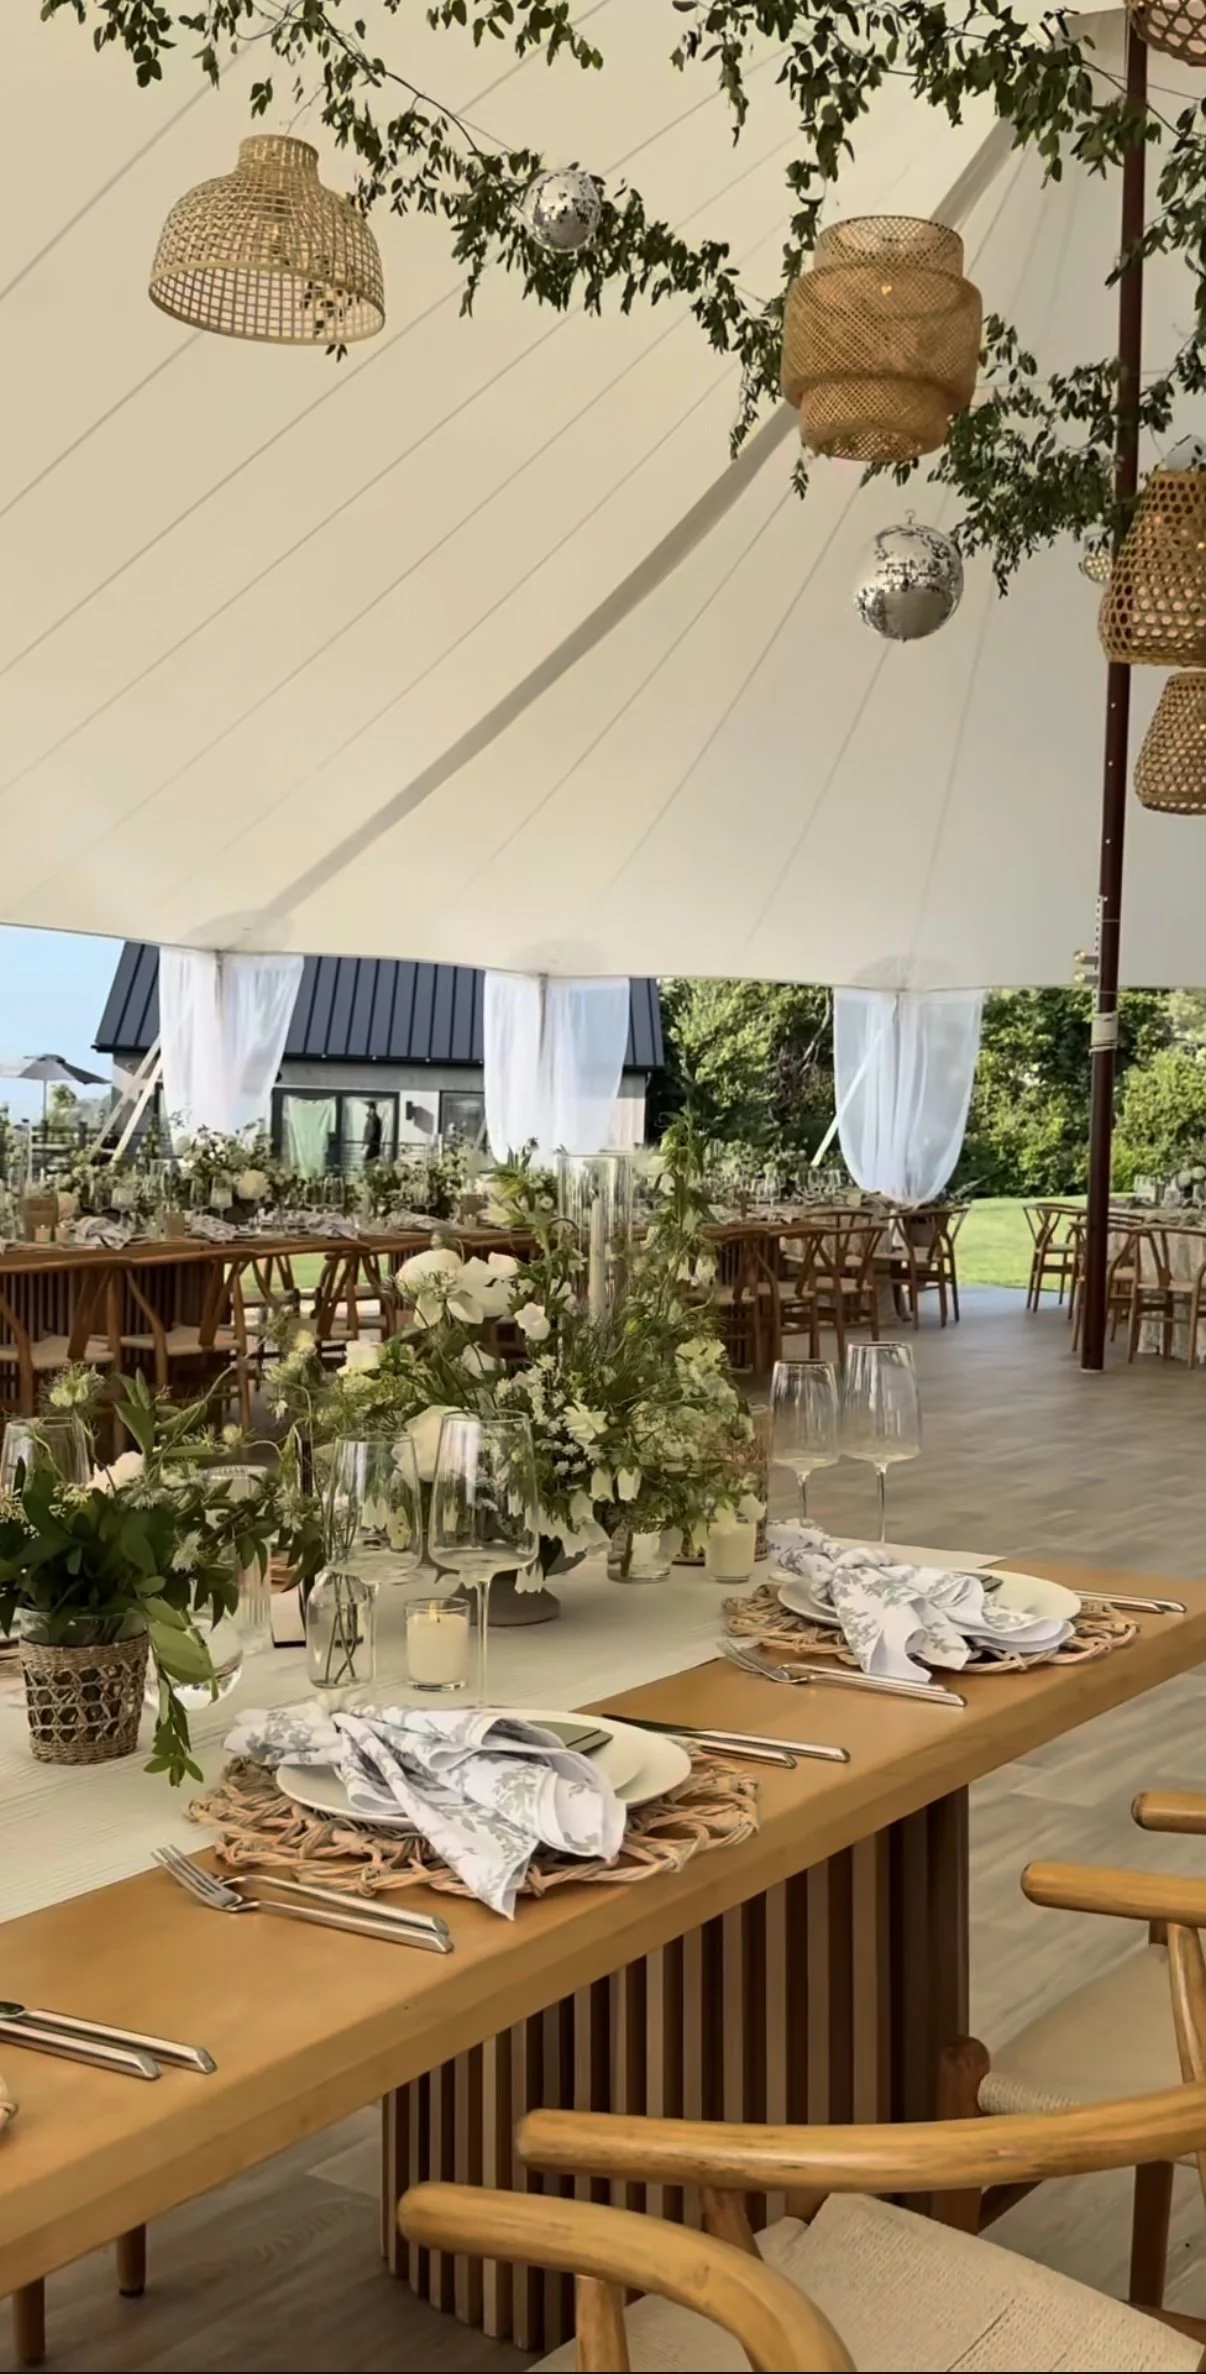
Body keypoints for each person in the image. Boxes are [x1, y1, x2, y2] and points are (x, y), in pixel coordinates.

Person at [362, 1099, 384, 1163]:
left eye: (368, 1109)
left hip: (371, 1146)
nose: (366, 1112)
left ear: (372, 1110)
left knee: (368, 1164)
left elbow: (372, 1132)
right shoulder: (372, 1119)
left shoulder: (373, 1120)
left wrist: (367, 1145)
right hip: (371, 1146)